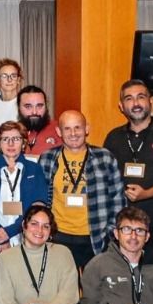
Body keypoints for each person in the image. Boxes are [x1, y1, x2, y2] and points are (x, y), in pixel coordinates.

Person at [102, 80, 153, 266]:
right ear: (121, 106)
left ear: (151, 101)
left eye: (141, 97)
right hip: (125, 225)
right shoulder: (113, 137)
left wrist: (145, 194)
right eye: (129, 99)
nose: (136, 103)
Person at [37, 110, 123, 270]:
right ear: (58, 132)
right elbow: (40, 197)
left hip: (95, 235)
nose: (73, 133)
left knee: (95, 290)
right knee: (63, 290)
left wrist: (110, 232)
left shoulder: (104, 157)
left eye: (78, 128)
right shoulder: (47, 158)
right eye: (67, 129)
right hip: (59, 235)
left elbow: (118, 198)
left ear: (87, 129)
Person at [0, 121, 50, 267]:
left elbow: (38, 205)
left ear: (24, 142)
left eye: (16, 139)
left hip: (24, 237)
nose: (11, 143)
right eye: (5, 139)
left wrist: (9, 232)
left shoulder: (34, 169)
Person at [18, 86, 61, 159]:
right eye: (28, 107)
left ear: (46, 107)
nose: (34, 112)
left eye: (39, 106)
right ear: (19, 107)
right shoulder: (11, 132)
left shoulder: (60, 130)